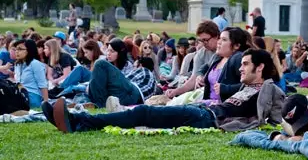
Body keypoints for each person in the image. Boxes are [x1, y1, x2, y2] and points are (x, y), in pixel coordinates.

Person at [42, 49, 281, 133]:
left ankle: (79, 121)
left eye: (246, 64)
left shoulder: (268, 89)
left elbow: (284, 110)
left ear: (260, 68)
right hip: (202, 111)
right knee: (146, 112)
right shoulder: (243, 86)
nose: (240, 67)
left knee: (144, 113)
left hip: (208, 119)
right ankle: (78, 121)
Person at [13, 39, 48, 108]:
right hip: (20, 93)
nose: (16, 51)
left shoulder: (35, 64)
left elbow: (43, 85)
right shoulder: (17, 64)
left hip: (32, 96)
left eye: (20, 49)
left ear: (29, 50)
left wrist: (46, 103)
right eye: (16, 49)